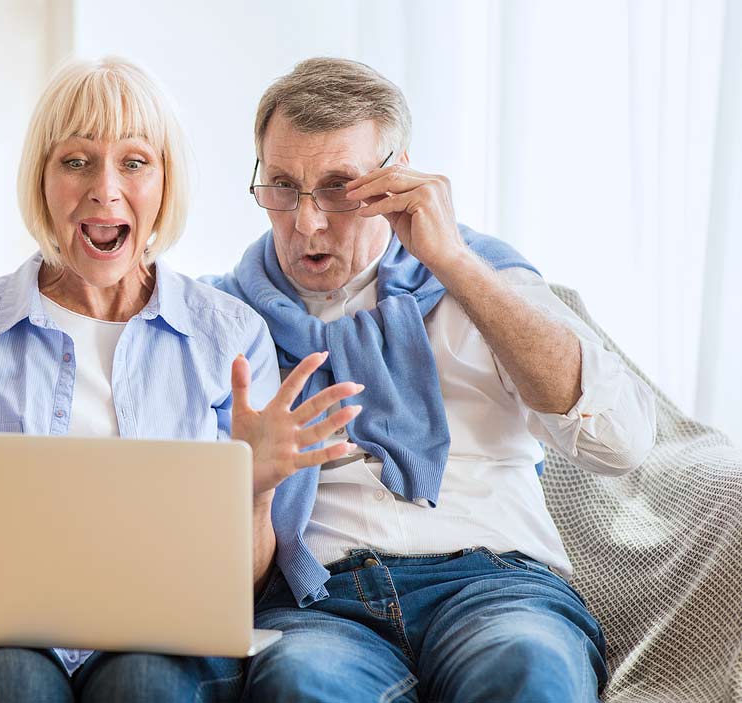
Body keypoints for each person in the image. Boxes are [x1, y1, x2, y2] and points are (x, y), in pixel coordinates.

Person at [0, 56, 363, 703]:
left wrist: (253, 491)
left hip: (163, 636)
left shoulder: (231, 338)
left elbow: (239, 586)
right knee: (15, 678)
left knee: (145, 681)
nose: (105, 188)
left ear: (166, 182)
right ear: (42, 180)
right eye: (76, 160)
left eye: (134, 162)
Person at [207, 57, 657, 702]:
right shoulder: (223, 321)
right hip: (320, 600)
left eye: (339, 187)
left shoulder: (488, 280)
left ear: (396, 178)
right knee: (299, 685)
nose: (306, 222)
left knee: (530, 669)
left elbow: (622, 443)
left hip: (495, 583)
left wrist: (451, 263)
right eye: (281, 186)